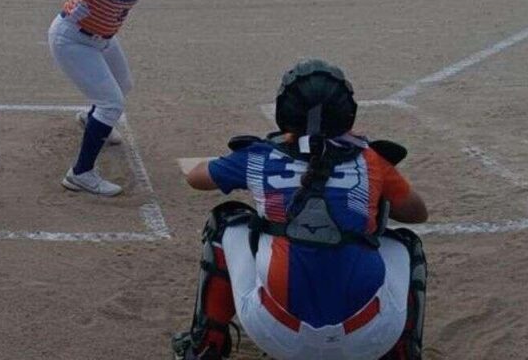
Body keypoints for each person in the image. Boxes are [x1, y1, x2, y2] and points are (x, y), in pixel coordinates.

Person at [171, 59, 429, 360]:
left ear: (284, 112)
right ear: (346, 113)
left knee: (227, 220)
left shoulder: (260, 156)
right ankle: (404, 352)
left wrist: (254, 158)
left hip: (276, 333)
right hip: (370, 337)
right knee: (405, 244)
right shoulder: (370, 159)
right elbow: (417, 212)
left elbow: (196, 178)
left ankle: (206, 345)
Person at [49, 0, 168, 196]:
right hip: (73, 39)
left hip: (103, 38)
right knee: (111, 103)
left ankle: (89, 119)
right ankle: (80, 174)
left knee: (123, 85)